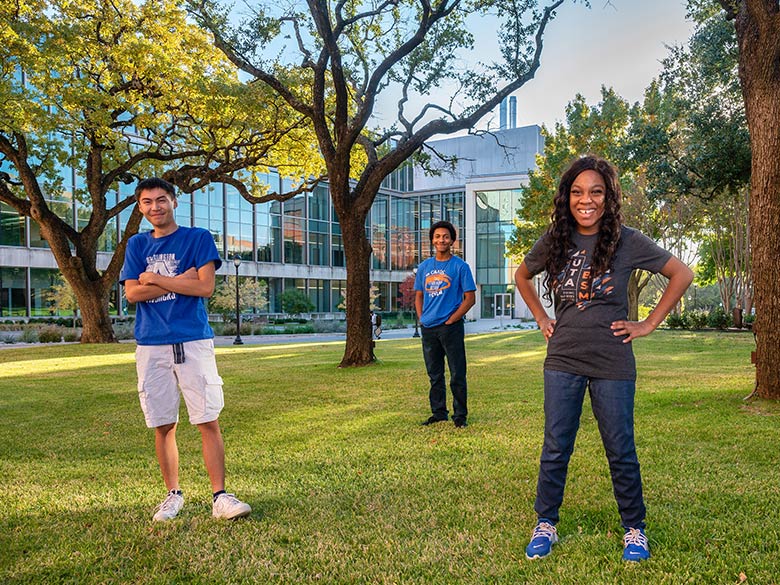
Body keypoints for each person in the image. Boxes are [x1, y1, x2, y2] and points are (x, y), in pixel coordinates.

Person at [514, 155, 693, 562]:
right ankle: (546, 523)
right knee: (556, 445)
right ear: (567, 197)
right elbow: (521, 275)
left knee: (620, 447)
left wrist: (646, 323)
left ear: (608, 196)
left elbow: (682, 273)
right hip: (563, 357)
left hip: (613, 358)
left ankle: (634, 529)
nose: (586, 200)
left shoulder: (628, 240)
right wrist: (542, 317)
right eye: (578, 192)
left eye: (596, 191)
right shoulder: (555, 238)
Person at [120, 177, 252, 522]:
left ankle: (220, 497)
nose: (155, 207)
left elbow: (205, 287)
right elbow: (132, 294)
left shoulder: (197, 238)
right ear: (140, 207)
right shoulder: (136, 244)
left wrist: (155, 278)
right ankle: (172, 496)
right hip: (151, 343)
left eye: (161, 200)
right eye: (147, 202)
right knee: (163, 424)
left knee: (207, 418)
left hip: (192, 339)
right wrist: (184, 280)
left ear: (174, 201)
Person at [414, 220, 476, 428]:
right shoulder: (424, 267)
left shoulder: (460, 267)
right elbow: (419, 296)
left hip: (451, 327)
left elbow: (470, 298)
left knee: (457, 373)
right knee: (435, 374)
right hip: (429, 328)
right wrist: (422, 318)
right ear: (432, 240)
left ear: (452, 241)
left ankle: (460, 416)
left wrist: (453, 319)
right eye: (438, 236)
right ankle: (439, 413)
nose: (442, 240)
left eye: (445, 237)